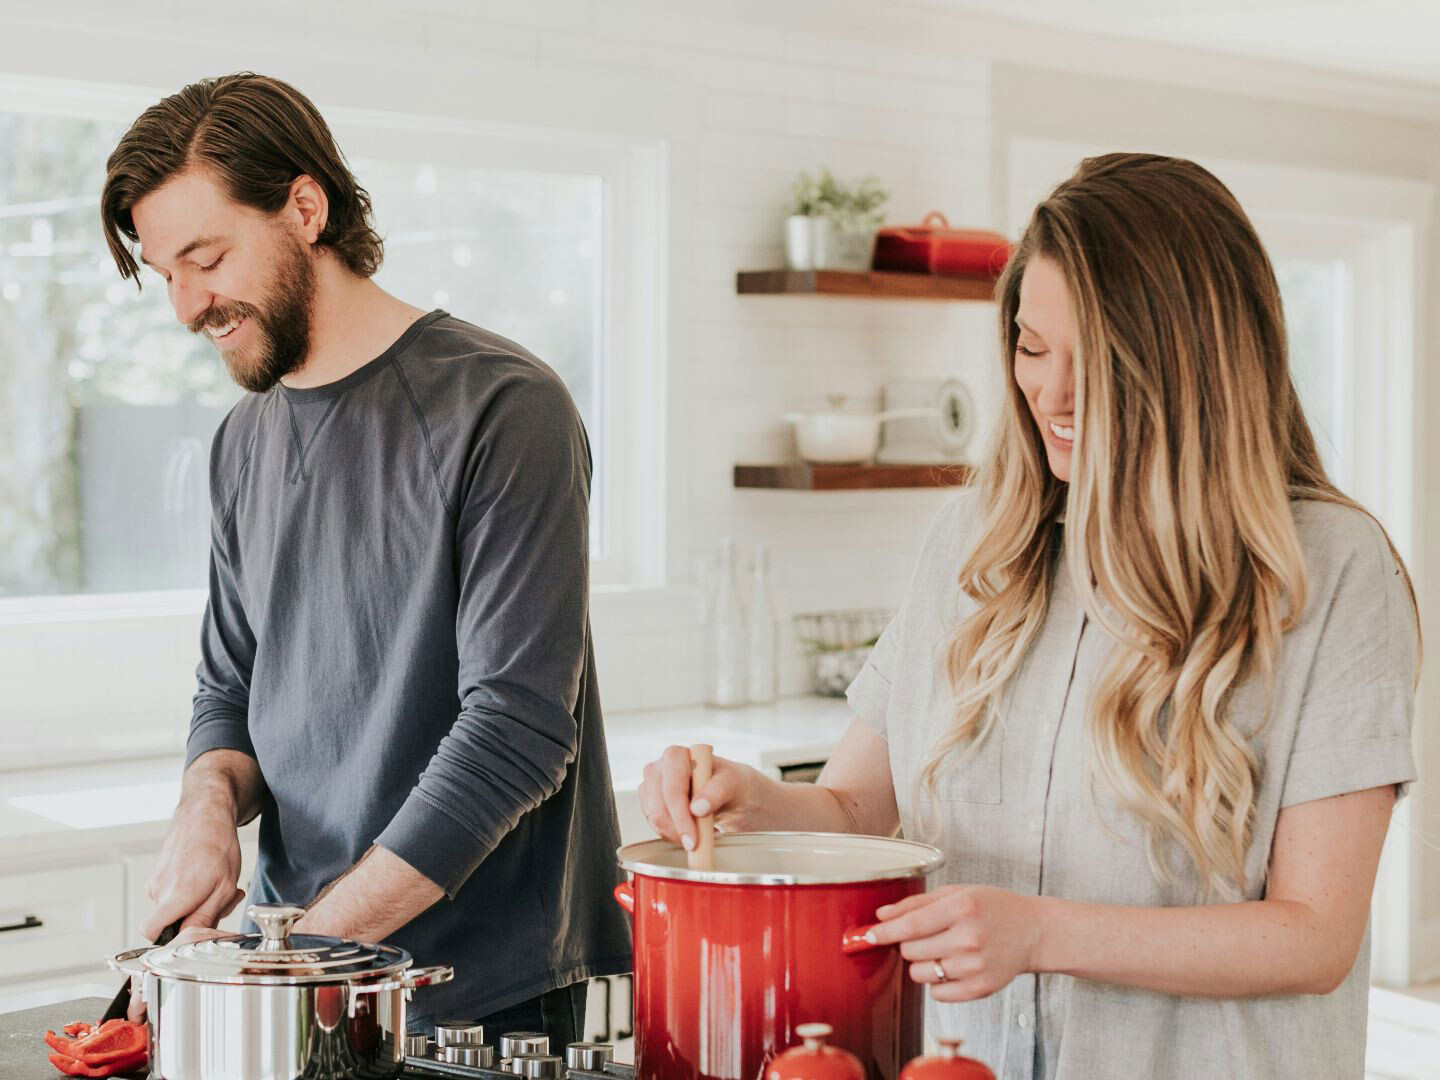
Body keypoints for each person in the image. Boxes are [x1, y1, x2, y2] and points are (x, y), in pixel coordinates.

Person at [639, 153, 1420, 1078]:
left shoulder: (1328, 569)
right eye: (1031, 345)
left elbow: (1313, 935)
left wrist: (1042, 933)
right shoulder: (975, 541)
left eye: (1099, 358)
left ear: (1195, 364)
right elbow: (856, 807)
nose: (1049, 394)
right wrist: (749, 803)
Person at [100, 72, 631, 1040]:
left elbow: (516, 732)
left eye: (204, 257)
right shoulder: (241, 442)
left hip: (479, 1003)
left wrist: (301, 957)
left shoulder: (506, 410)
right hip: (292, 976)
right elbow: (229, 689)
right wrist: (206, 808)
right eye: (164, 272)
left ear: (306, 207)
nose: (186, 307)